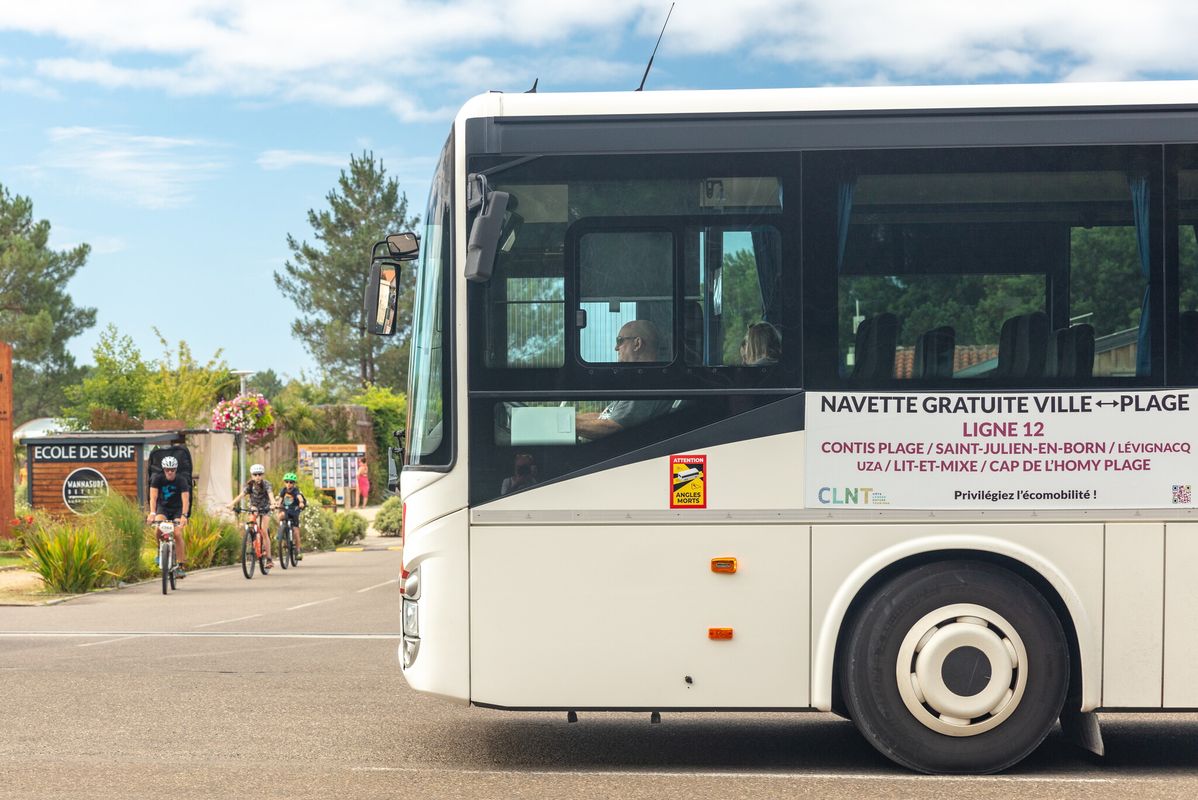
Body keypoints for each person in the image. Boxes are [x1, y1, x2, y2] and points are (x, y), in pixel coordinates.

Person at [576, 319, 675, 439]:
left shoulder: (647, 382)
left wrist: (570, 425)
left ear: (637, 344)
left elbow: (612, 427)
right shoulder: (641, 378)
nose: (616, 348)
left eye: (619, 340)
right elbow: (606, 416)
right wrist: (570, 419)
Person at [146, 455, 189, 577]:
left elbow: (186, 500)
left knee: (177, 534)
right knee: (158, 528)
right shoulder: (157, 479)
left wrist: (184, 516)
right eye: (167, 470)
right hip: (163, 508)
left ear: (176, 469)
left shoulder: (181, 480)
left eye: (172, 470)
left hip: (177, 509)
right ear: (163, 469)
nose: (170, 472)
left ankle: (181, 565)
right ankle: (160, 553)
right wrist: (152, 513)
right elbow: (153, 497)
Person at [228, 463, 275, 568]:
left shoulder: (267, 484)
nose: (257, 476)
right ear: (252, 475)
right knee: (251, 521)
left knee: (263, 530)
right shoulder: (249, 485)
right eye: (255, 474)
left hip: (265, 508)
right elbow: (241, 495)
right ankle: (251, 536)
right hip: (254, 506)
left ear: (263, 475)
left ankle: (269, 559)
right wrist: (231, 504)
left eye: (260, 474)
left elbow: (271, 494)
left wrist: (273, 504)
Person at [276, 472, 306, 561]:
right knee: (280, 515)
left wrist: (301, 503)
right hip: (285, 509)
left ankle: (298, 550)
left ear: (294, 483)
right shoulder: (283, 490)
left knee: (296, 531)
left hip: (294, 510)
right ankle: (281, 532)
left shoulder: (295, 490)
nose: (288, 484)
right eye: (287, 482)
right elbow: (280, 499)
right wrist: (277, 504)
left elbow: (299, 497)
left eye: (291, 482)